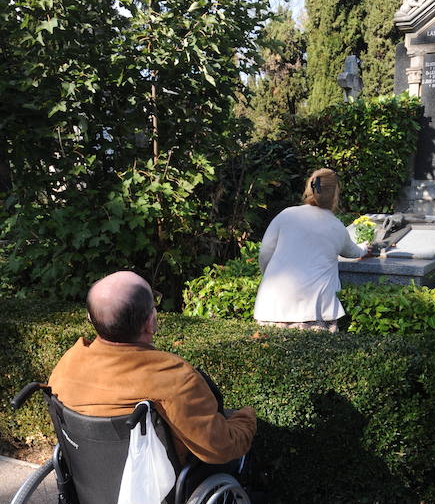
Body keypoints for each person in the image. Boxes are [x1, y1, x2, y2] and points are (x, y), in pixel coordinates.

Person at [49, 271, 256, 466]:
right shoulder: (174, 377)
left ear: (90, 318)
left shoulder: (70, 360)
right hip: (154, 487)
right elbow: (218, 449)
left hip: (89, 478)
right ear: (150, 322)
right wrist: (247, 417)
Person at [253, 168, 369, 332]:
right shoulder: (337, 227)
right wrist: (365, 247)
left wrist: (270, 280)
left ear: (310, 189)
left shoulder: (286, 215)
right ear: (335, 195)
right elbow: (353, 252)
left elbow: (265, 254)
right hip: (315, 315)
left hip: (270, 309)